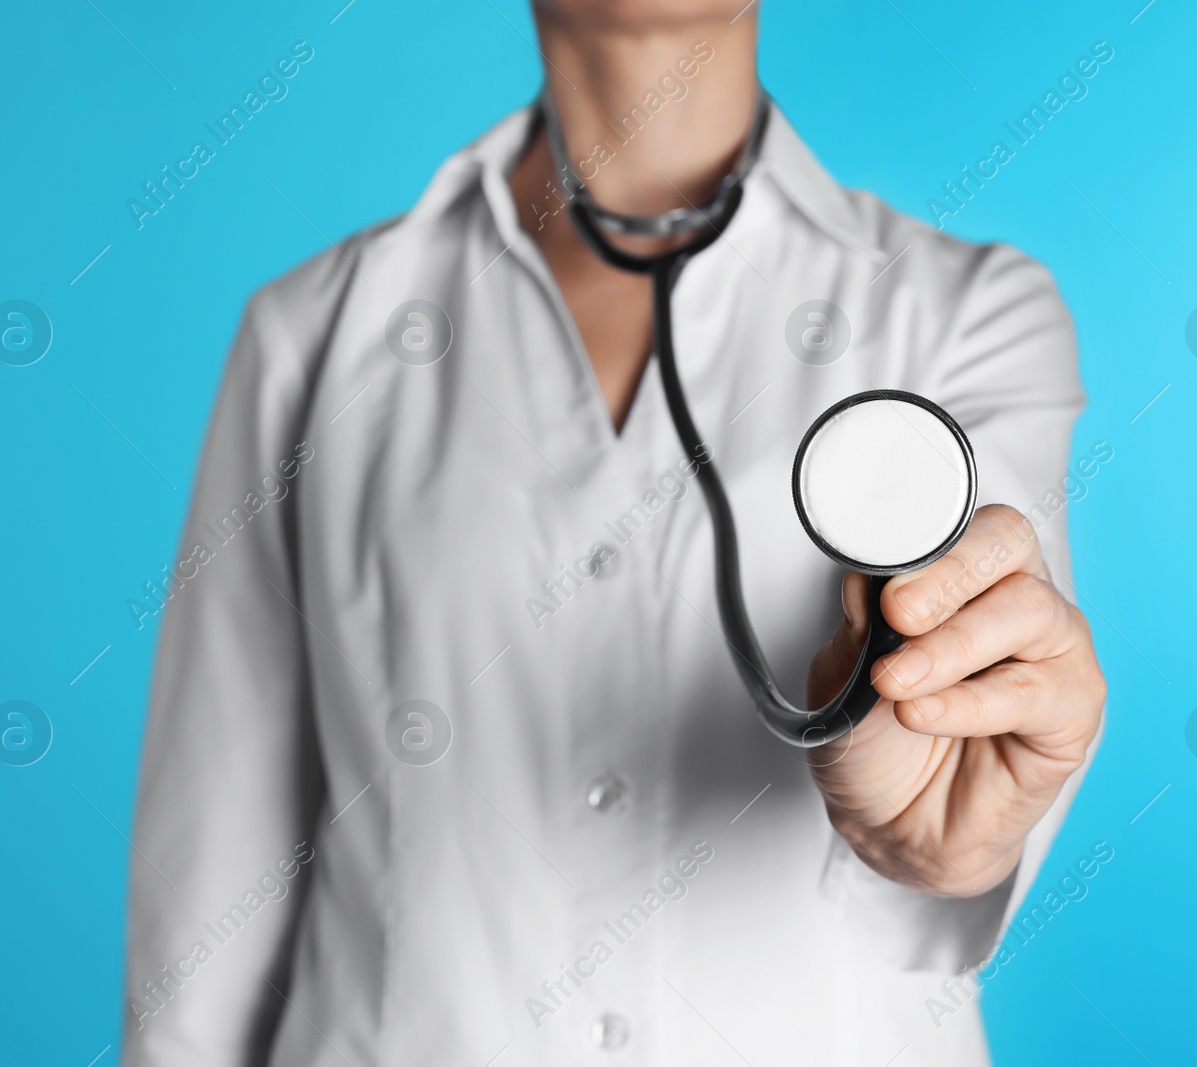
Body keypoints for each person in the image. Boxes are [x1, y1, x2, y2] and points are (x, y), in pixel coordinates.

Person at [122, 1, 1107, 1063]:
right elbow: (206, 918)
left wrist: (933, 841)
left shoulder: (966, 314)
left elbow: (976, 735)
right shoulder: (310, 339)